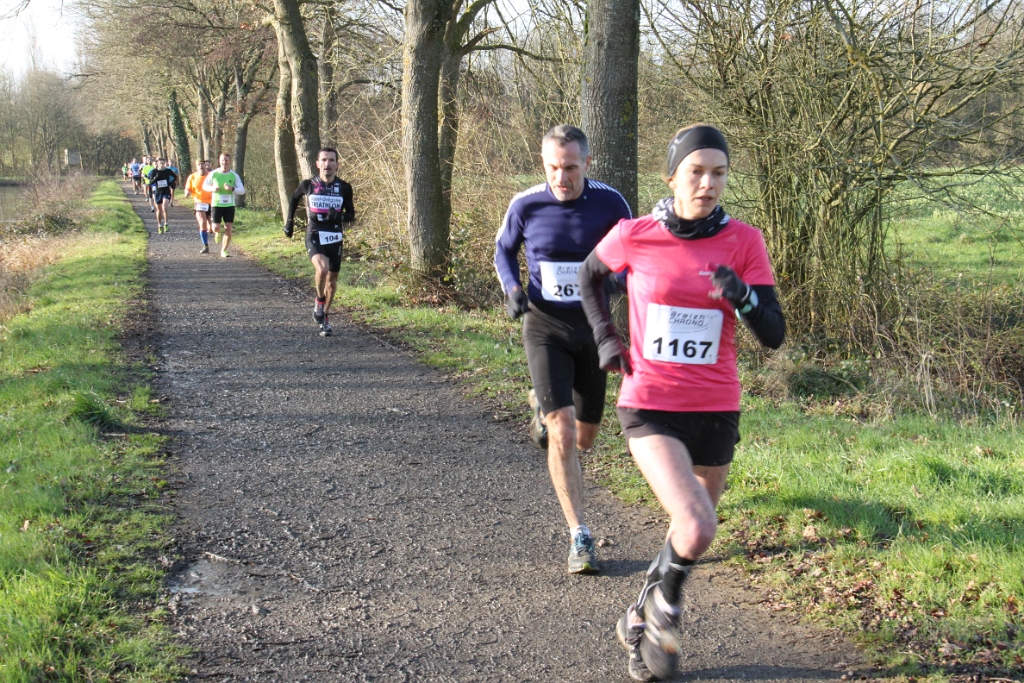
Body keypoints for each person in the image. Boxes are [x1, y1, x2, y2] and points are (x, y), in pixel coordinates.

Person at [577, 124, 785, 682]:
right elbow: (589, 276)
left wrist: (743, 298)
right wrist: (606, 337)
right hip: (650, 401)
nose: (708, 183)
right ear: (672, 177)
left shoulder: (744, 241)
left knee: (692, 530)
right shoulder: (635, 234)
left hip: (716, 406)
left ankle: (637, 616)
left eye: (719, 173)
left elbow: (773, 334)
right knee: (695, 523)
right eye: (696, 172)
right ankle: (665, 617)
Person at [494, 124, 631, 574]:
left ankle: (542, 406)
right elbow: (503, 251)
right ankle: (580, 536)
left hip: (593, 328)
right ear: (543, 163)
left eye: (570, 167)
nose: (561, 177)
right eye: (553, 167)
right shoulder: (526, 203)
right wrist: (513, 288)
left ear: (587, 163)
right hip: (545, 325)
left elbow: (633, 259)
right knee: (564, 432)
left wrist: (612, 282)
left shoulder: (611, 204)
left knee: (585, 438)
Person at [283, 147, 355, 337]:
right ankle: (319, 300)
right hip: (314, 233)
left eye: (331, 160)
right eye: (323, 160)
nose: (327, 164)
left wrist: (339, 216)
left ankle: (326, 316)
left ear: (337, 165)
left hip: (335, 237)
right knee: (322, 269)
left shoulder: (344, 187)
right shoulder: (308, 185)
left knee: (332, 282)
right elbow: (293, 198)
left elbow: (351, 215)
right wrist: (289, 222)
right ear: (317, 164)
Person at [202, 153, 245, 258]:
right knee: (215, 227)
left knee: (228, 228)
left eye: (226, 160)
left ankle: (224, 250)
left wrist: (232, 188)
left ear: (229, 161)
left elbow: (242, 190)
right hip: (216, 204)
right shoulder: (213, 174)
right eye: (222, 160)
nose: (224, 162)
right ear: (219, 161)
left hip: (229, 205)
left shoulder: (234, 175)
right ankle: (217, 232)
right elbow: (204, 186)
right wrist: (213, 188)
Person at [185, 159, 213, 253]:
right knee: (202, 223)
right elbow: (188, 188)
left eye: (202, 164)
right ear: (196, 166)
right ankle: (205, 246)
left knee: (212, 227)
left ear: (205, 165)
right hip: (199, 203)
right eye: (198, 164)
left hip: (212, 203)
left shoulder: (211, 175)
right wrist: (187, 192)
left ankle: (214, 230)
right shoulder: (192, 177)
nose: (201, 166)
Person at [147, 158, 178, 234]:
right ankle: (159, 225)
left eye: (163, 163)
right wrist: (156, 178)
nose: (162, 165)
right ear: (157, 164)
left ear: (165, 164)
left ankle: (166, 224)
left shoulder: (168, 171)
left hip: (166, 191)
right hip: (158, 192)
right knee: (159, 210)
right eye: (160, 163)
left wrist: (171, 183)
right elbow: (150, 182)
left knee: (165, 207)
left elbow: (175, 176)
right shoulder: (154, 172)